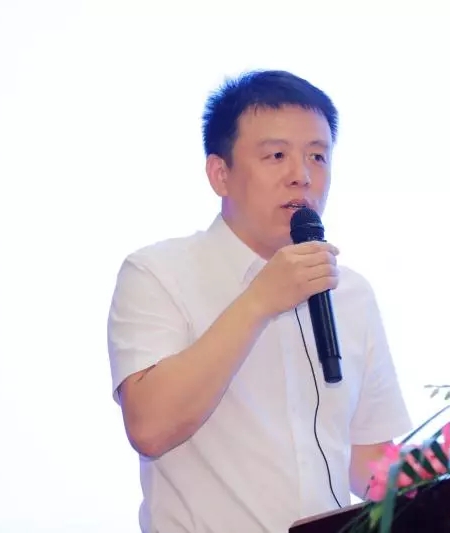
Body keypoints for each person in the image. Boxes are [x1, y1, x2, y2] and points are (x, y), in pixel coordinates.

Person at [106, 69, 412, 533]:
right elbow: (150, 427)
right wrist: (259, 300)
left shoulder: (350, 292)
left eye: (317, 156)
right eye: (276, 156)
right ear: (220, 174)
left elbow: (367, 461)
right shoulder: (156, 273)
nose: (301, 177)